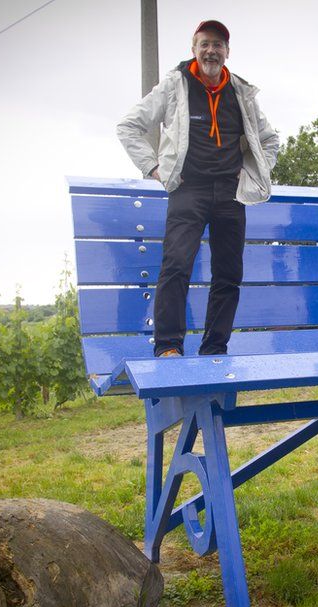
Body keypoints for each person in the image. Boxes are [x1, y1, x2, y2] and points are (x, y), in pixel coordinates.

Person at [116, 20, 279, 357]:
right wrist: (153, 167)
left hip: (231, 194)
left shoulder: (241, 92)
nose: (211, 51)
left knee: (229, 274)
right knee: (176, 265)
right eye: (205, 43)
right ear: (194, 48)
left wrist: (253, 172)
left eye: (218, 45)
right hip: (188, 189)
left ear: (227, 52)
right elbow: (129, 126)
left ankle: (215, 348)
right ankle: (168, 347)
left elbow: (269, 139)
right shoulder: (175, 85)